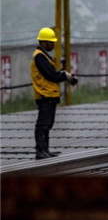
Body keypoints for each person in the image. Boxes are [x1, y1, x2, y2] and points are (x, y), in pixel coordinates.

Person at [31, 27, 77, 159]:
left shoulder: (44, 56)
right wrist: (64, 75)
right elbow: (50, 75)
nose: (53, 45)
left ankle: (45, 150)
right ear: (43, 42)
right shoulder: (39, 56)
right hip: (44, 95)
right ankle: (40, 151)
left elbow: (51, 73)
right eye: (51, 42)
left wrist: (62, 74)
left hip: (50, 95)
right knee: (43, 123)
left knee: (48, 124)